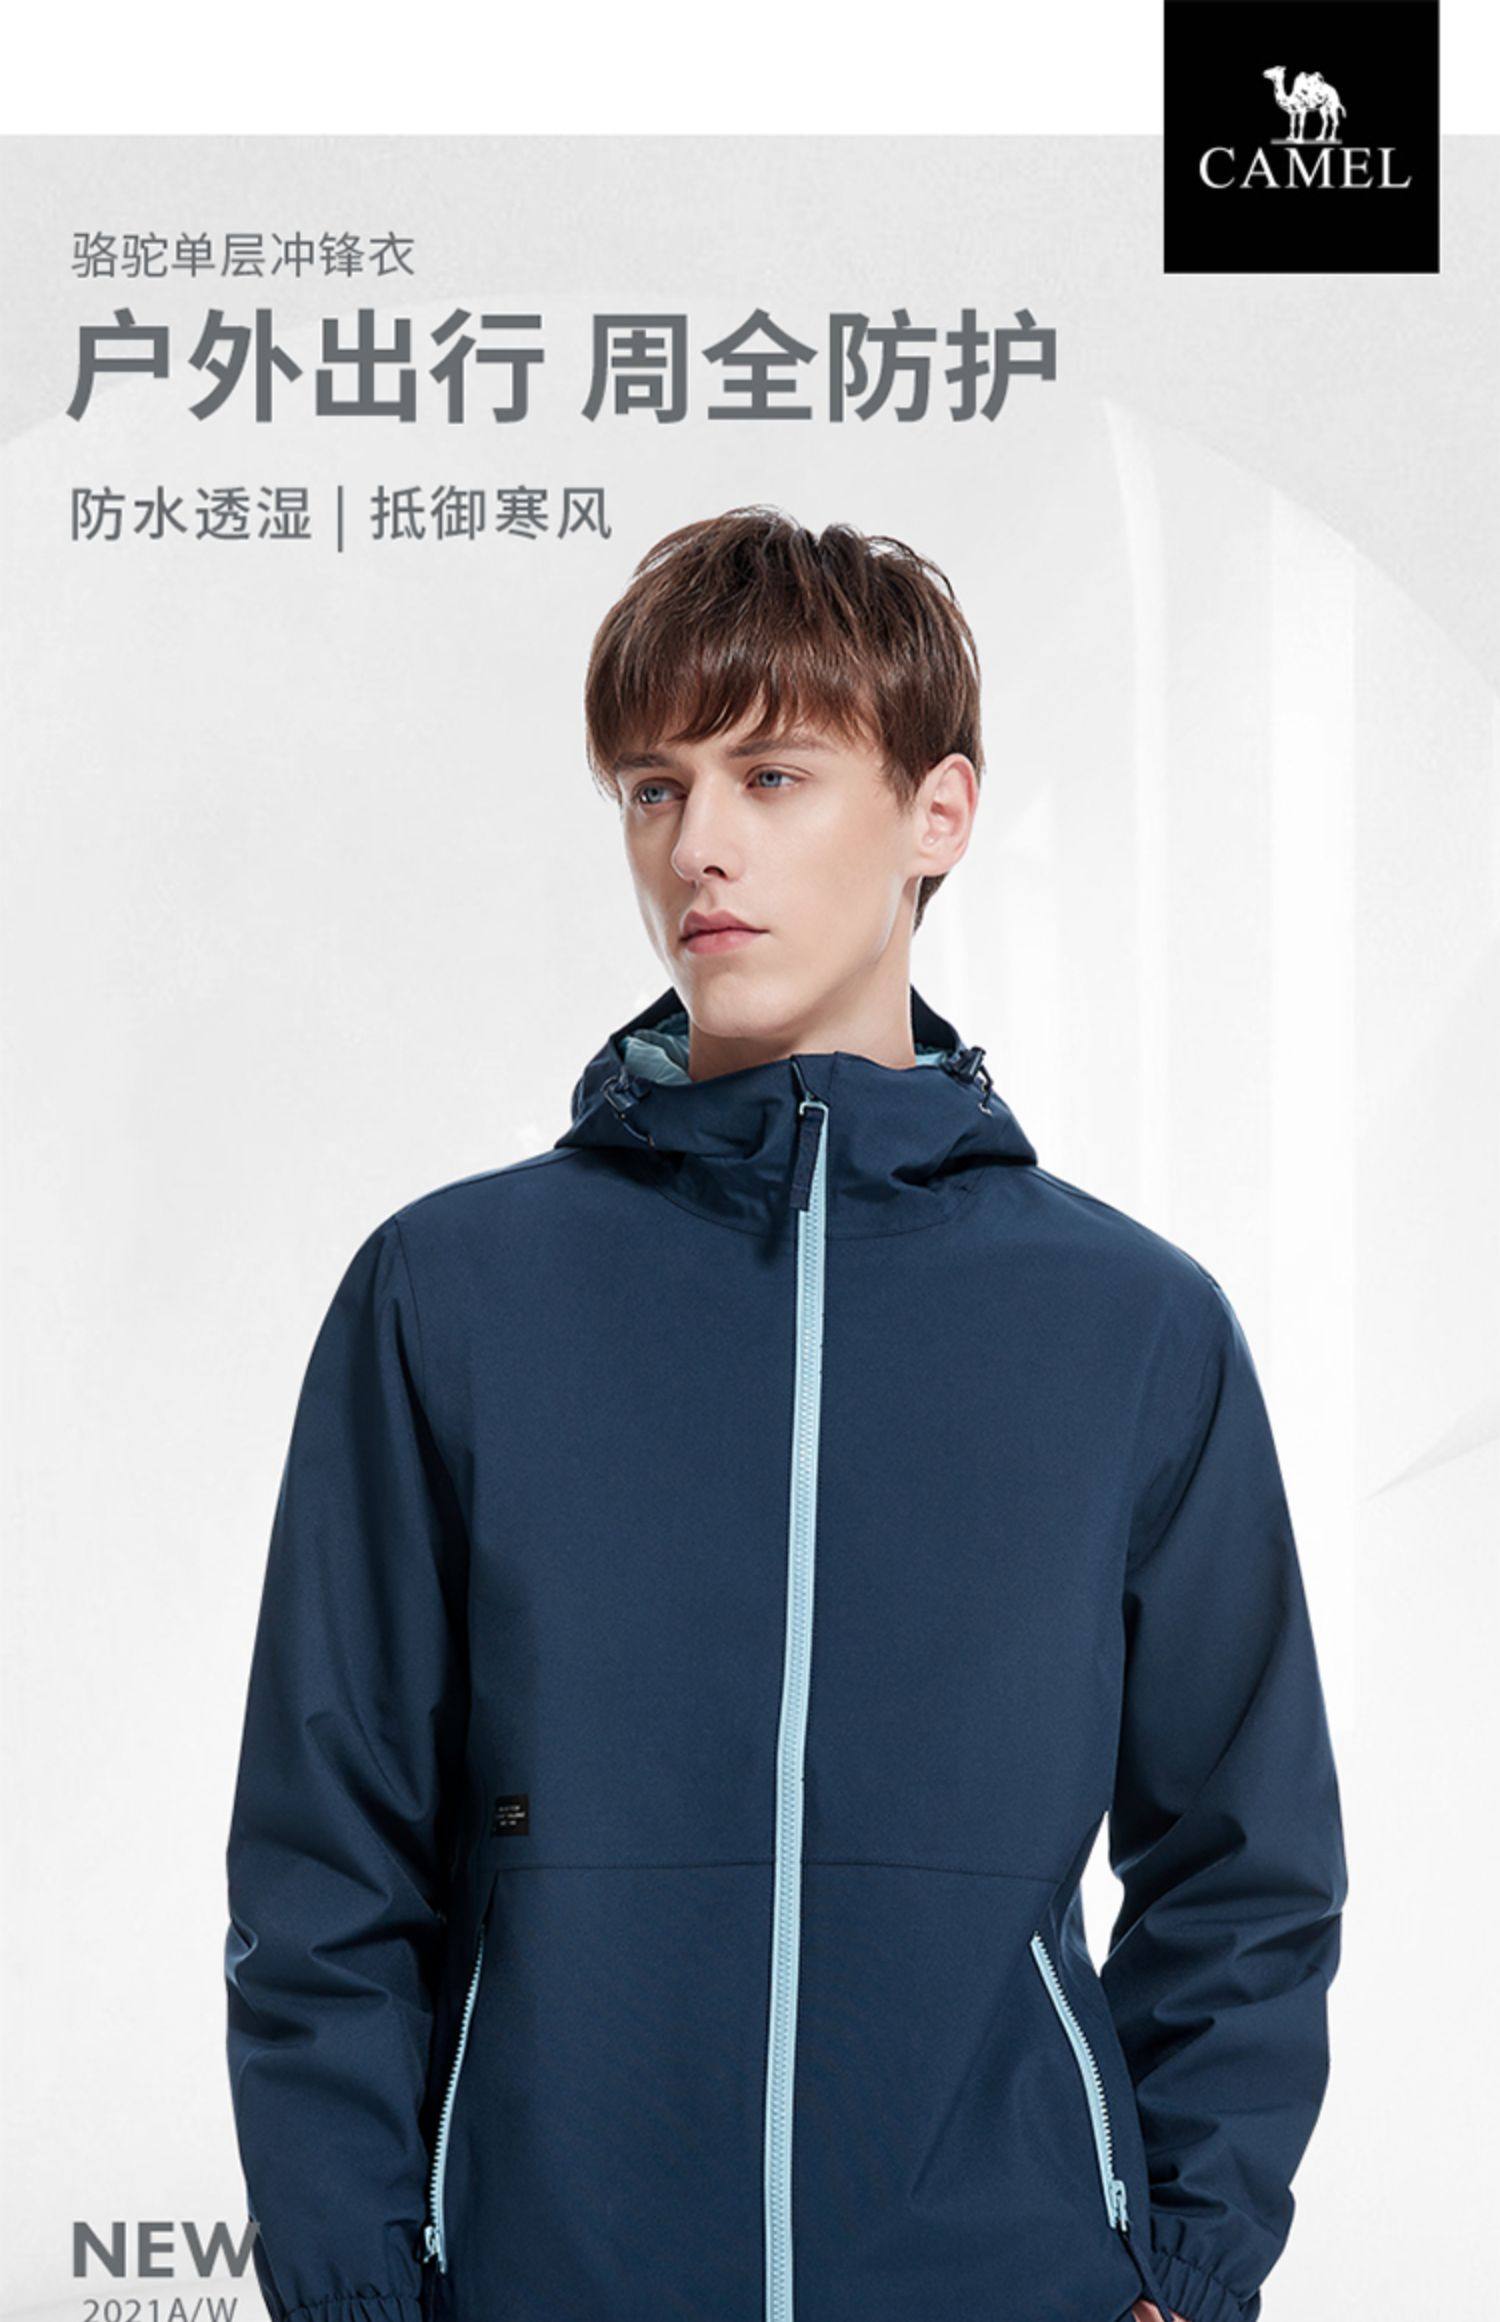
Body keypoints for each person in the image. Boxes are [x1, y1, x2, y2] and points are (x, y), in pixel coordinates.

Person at [223, 507, 1347, 2322]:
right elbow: (326, 1858)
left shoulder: (1134, 1326)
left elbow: (1247, 1860)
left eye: (772, 775)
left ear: (937, 811)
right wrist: (355, 2286)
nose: (700, 847)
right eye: (654, 789)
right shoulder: (450, 1293)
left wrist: (1184, 2266)